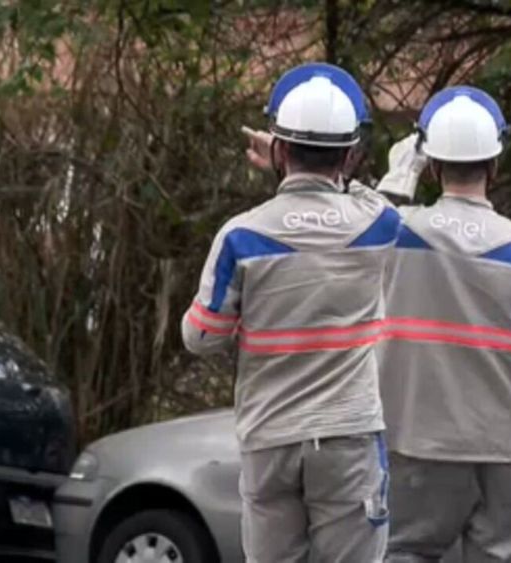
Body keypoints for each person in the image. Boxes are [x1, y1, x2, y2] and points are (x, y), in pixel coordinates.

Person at [182, 62, 399, 563]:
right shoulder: (375, 225)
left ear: (279, 150)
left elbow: (200, 336)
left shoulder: (241, 236)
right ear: (349, 155)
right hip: (348, 437)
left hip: (270, 439)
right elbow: (373, 199)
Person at [375, 86, 511, 562]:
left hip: (416, 442)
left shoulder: (397, 232)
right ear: (494, 166)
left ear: (432, 165)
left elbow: (356, 232)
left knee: (403, 552)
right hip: (500, 448)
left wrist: (397, 174)